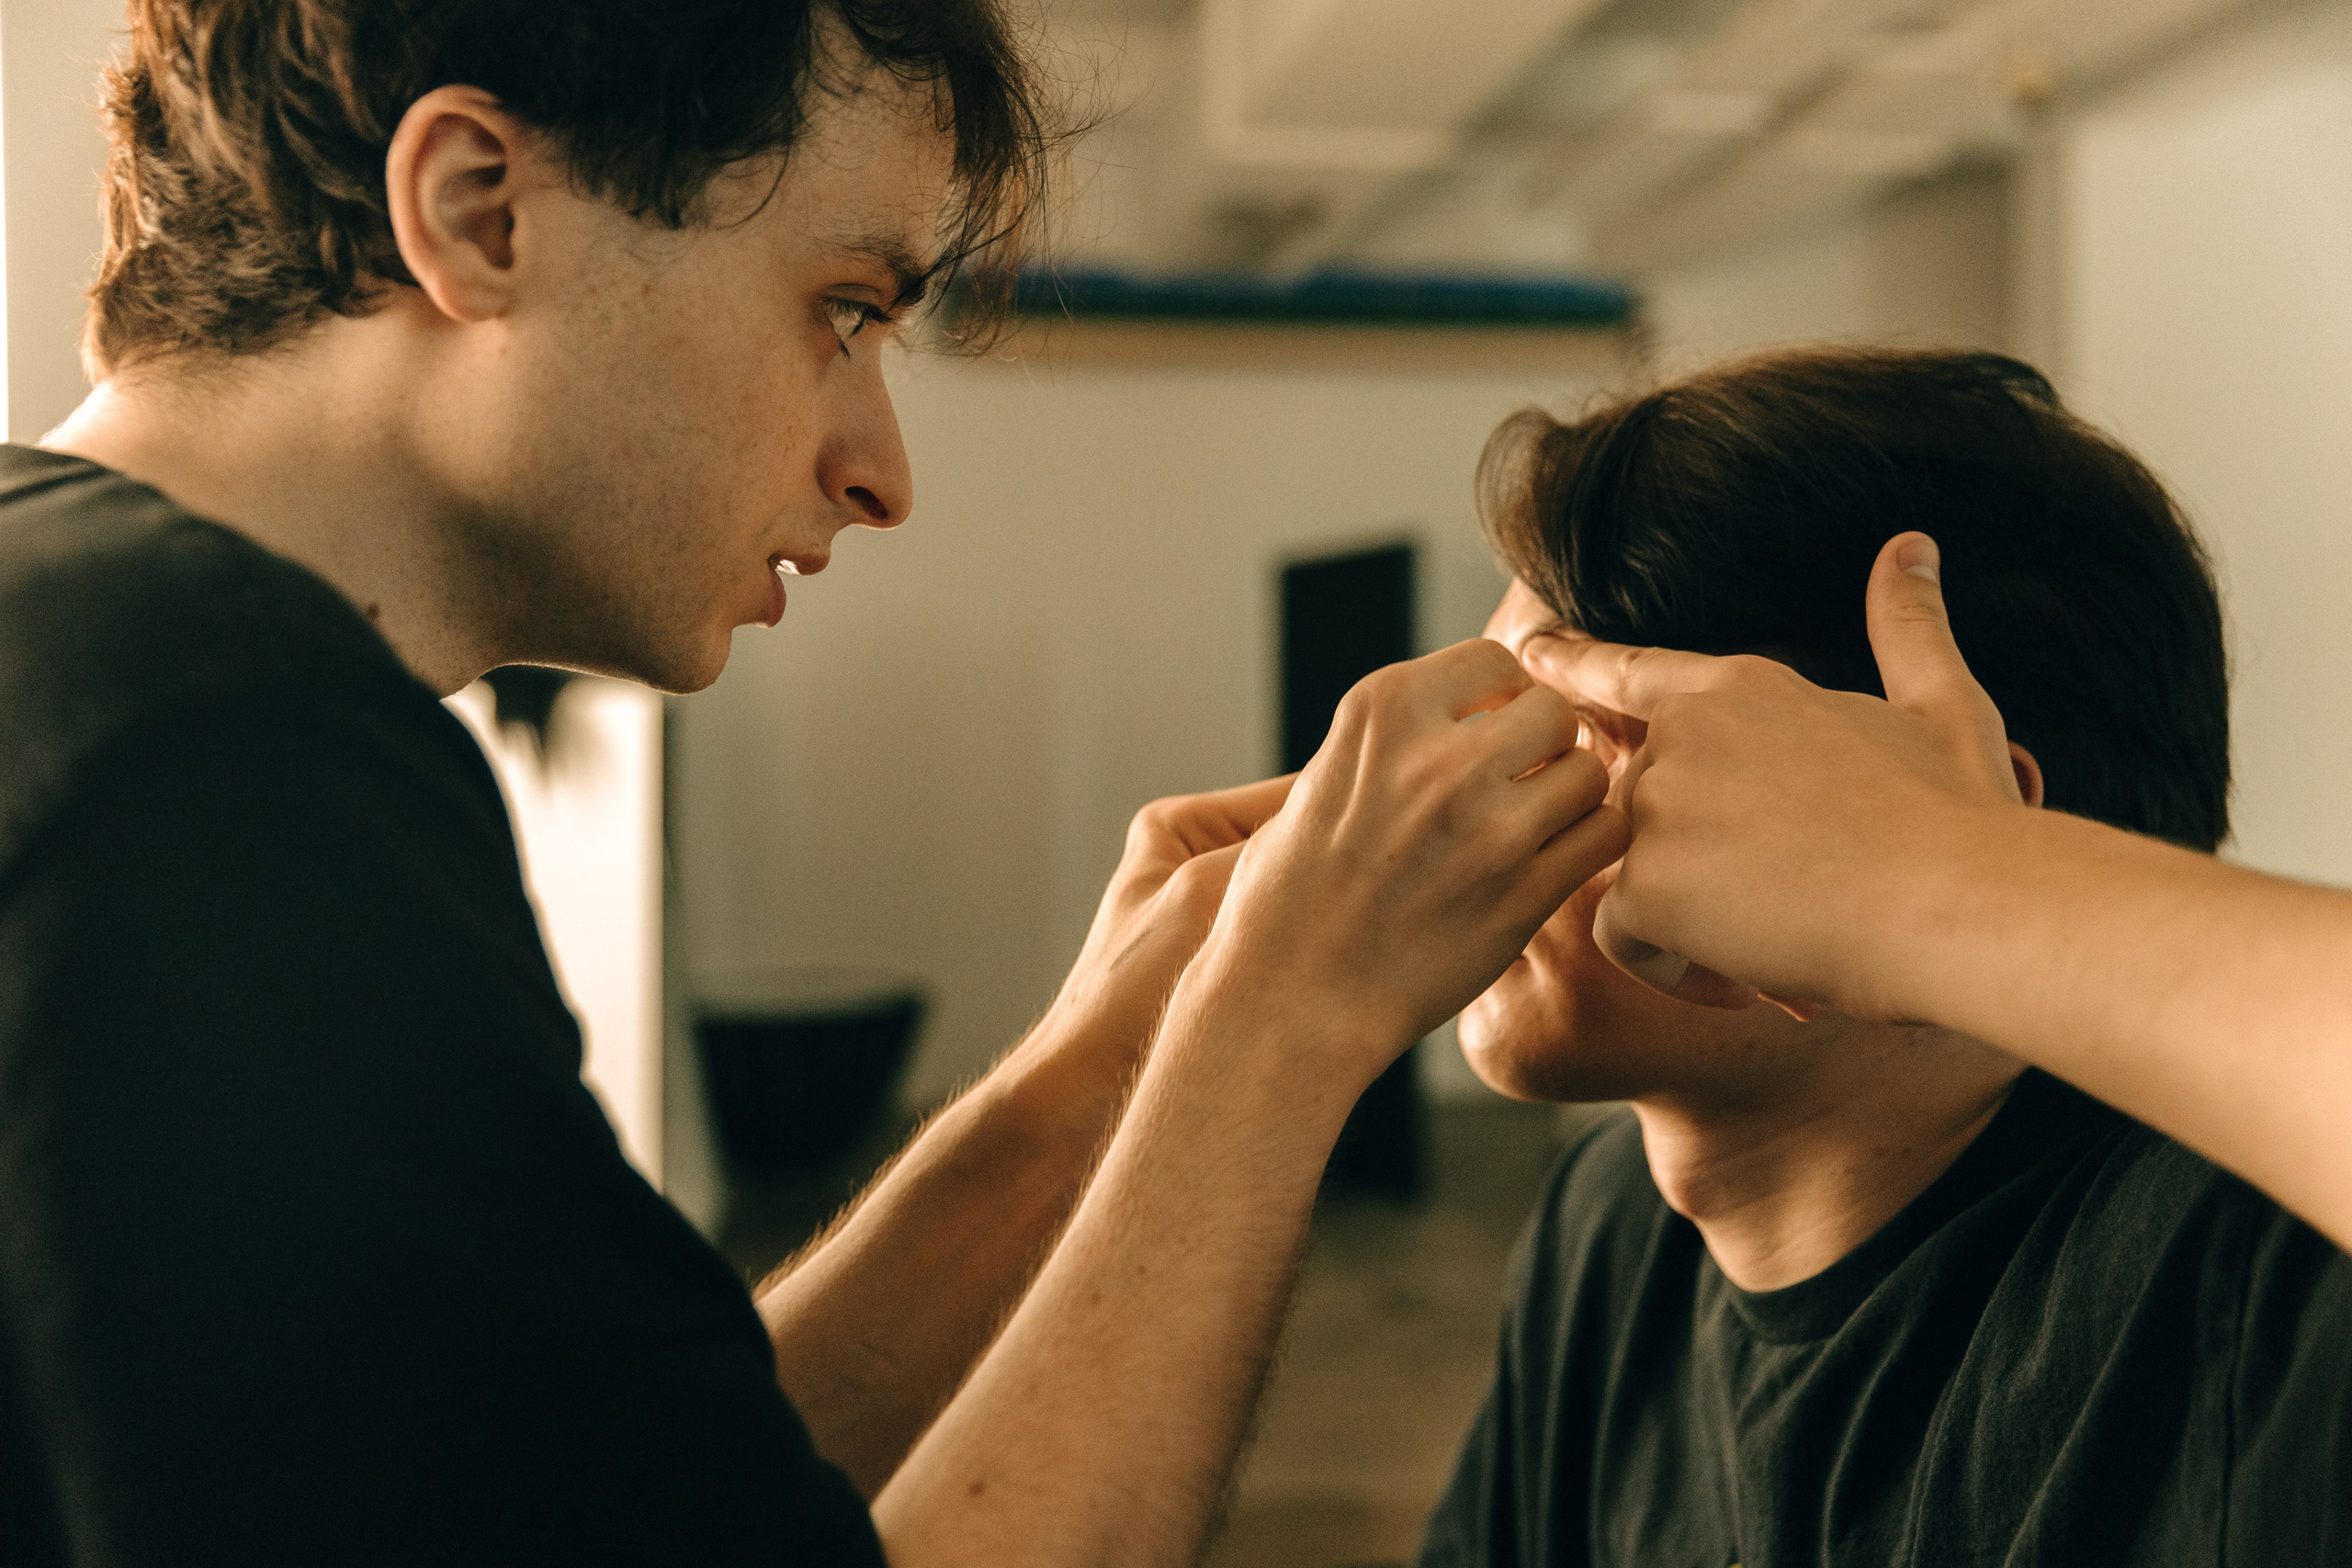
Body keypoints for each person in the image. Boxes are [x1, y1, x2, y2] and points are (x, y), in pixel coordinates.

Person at [0, 4, 1631, 1563]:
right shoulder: (215, 750)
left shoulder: (94, 655)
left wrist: (1110, 1065)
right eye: (843, 310)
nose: (882, 473)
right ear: (480, 210)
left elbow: (638, 1521)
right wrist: (1283, 1027)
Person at [1418, 346, 2352, 1567]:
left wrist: (1951, 880)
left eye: (1562, 730)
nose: (1454, 799)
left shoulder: (2246, 1278)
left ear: (1951, 804)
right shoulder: (1611, 1232)